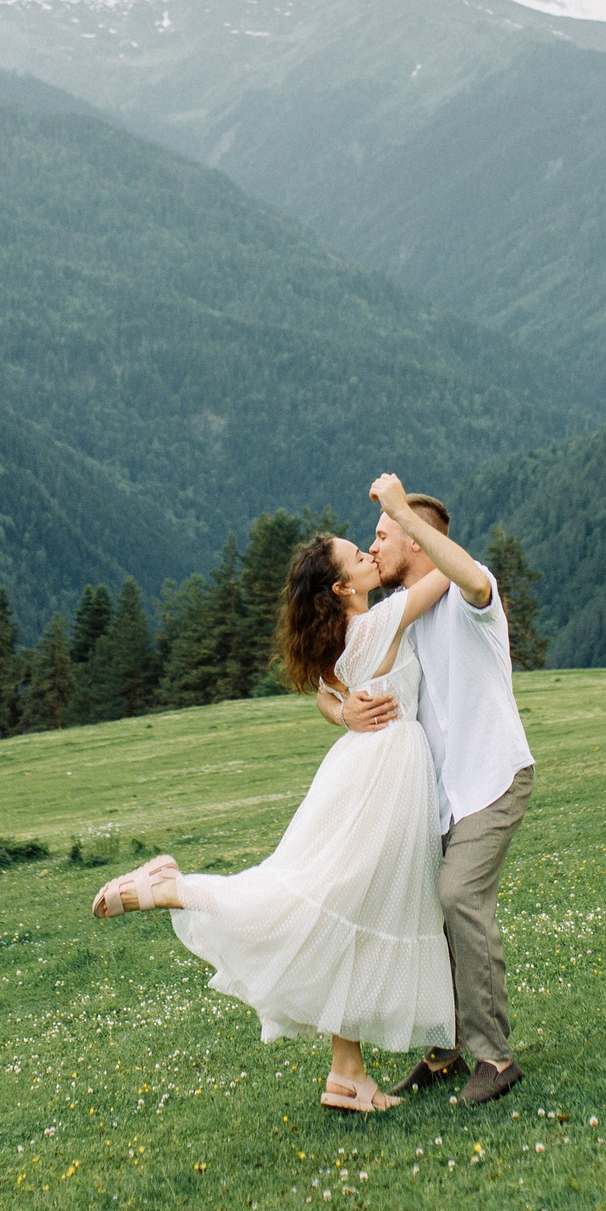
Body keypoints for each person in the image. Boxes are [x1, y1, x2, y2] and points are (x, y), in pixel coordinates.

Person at [88, 525, 457, 1114]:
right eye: (359, 556)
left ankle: (347, 1073)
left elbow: (322, 692)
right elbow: (453, 571)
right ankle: (167, 890)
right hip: (383, 776)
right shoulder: (374, 624)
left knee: (351, 911)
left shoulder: (344, 635)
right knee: (318, 900)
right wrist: (407, 523)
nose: (369, 554)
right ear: (342, 586)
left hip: (366, 769)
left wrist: (341, 711)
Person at [326, 475, 534, 1108]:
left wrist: (403, 511)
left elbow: (470, 577)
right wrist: (342, 713)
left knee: (457, 896)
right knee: (425, 911)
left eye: (382, 535)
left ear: (415, 542)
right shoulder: (400, 616)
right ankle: (444, 1054)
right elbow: (330, 676)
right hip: (436, 796)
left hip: (492, 777)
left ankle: (494, 1056)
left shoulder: (472, 590)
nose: (374, 546)